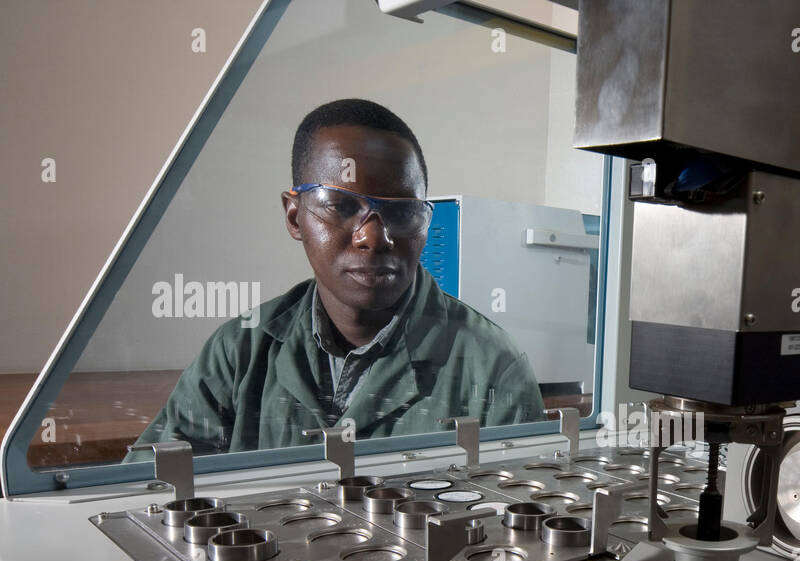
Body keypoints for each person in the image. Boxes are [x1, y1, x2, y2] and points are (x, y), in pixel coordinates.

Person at [129, 99, 546, 459]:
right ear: (295, 216)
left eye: (401, 212)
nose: (373, 237)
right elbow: (145, 491)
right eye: (342, 206)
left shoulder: (492, 371)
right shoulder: (239, 352)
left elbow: (512, 537)